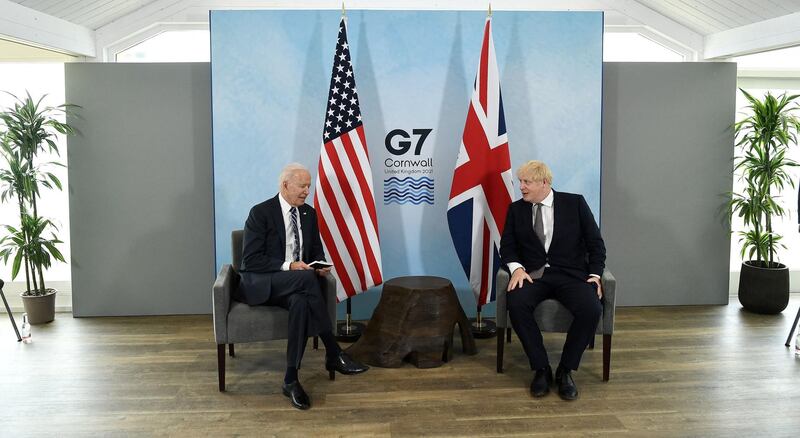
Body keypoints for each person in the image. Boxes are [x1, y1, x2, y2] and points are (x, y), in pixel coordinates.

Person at [237, 163, 368, 410]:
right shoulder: (260, 212)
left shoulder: (309, 213)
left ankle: (290, 378)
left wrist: (319, 266)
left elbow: (315, 251)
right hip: (263, 282)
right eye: (302, 185)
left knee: (300, 300)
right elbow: (250, 260)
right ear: (286, 185)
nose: (307, 191)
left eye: (309, 185)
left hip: (296, 286)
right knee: (306, 280)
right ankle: (333, 351)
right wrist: (290, 266)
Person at [500, 160, 606, 401]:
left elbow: (595, 244)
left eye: (527, 182)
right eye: (520, 182)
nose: (522, 187)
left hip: (571, 275)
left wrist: (595, 275)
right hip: (533, 276)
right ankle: (541, 368)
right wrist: (516, 269)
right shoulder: (516, 210)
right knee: (516, 303)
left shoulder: (575, 203)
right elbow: (507, 247)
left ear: (544, 183)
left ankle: (565, 370)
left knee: (591, 308)